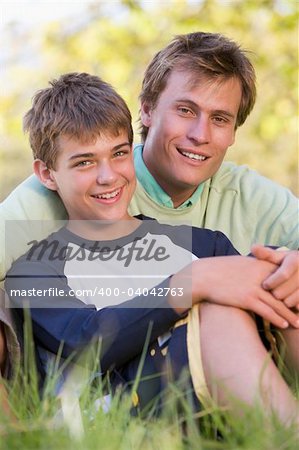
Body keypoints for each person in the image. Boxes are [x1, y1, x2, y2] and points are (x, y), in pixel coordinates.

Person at [4, 73, 299, 426]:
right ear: (47, 174)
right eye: (84, 162)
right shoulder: (34, 268)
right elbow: (87, 342)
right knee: (216, 314)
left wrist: (281, 271)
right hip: (118, 413)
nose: (108, 176)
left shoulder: (202, 243)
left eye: (118, 154)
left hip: (219, 394)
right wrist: (190, 283)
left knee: (283, 287)